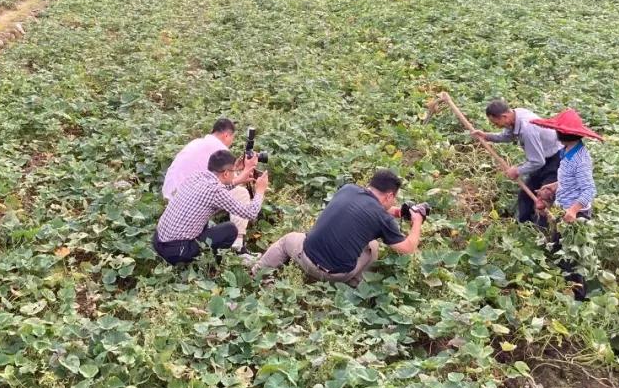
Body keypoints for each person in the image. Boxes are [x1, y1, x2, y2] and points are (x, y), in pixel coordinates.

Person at [252, 169, 425, 287]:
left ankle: (258, 272)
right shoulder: (382, 218)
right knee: (373, 246)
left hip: (306, 257)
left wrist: (396, 212)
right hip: (336, 274)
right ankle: (354, 284)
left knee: (287, 240)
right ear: (389, 195)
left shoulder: (348, 189)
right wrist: (417, 221)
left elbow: (364, 208)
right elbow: (408, 248)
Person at [531, 108, 602, 301]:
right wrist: (552, 187)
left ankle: (579, 299)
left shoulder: (580, 160)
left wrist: (573, 210)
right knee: (557, 249)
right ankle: (561, 288)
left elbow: (588, 190)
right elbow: (568, 180)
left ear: (562, 134)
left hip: (576, 217)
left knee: (573, 259)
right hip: (564, 210)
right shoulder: (567, 151)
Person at [154, 149, 267, 265]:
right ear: (226, 173)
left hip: (158, 241)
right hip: (177, 251)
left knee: (206, 223)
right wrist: (260, 190)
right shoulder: (216, 191)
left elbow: (215, 192)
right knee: (230, 229)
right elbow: (251, 213)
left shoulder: (196, 176)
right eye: (234, 172)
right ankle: (213, 263)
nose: (235, 174)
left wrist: (237, 180)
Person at [162, 118, 256, 253]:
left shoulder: (197, 142)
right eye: (232, 138)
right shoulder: (220, 149)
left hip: (171, 194)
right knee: (241, 193)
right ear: (226, 135)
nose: (231, 142)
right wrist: (250, 176)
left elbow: (217, 176)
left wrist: (235, 169)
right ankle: (238, 245)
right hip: (186, 202)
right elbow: (228, 181)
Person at [472, 100, 561, 224]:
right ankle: (524, 226)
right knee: (525, 195)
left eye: (495, 123)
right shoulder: (515, 115)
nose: (496, 126)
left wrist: (517, 171)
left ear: (504, 116)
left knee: (543, 201)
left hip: (555, 161)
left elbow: (537, 161)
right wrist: (487, 136)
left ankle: (544, 235)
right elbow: (508, 136)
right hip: (542, 159)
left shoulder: (527, 129)